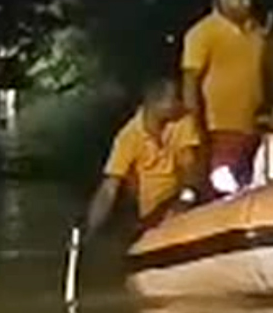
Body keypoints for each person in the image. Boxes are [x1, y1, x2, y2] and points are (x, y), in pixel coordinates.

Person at [181, 0, 272, 189]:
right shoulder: (202, 32)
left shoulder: (256, 32)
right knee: (224, 193)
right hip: (219, 129)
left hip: (254, 127)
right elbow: (190, 82)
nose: (246, 2)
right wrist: (195, 127)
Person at [84, 78, 202, 236]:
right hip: (150, 215)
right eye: (175, 99)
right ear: (156, 104)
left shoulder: (183, 121)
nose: (180, 104)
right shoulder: (128, 136)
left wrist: (185, 200)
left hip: (181, 201)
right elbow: (109, 188)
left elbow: (190, 168)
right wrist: (90, 228)